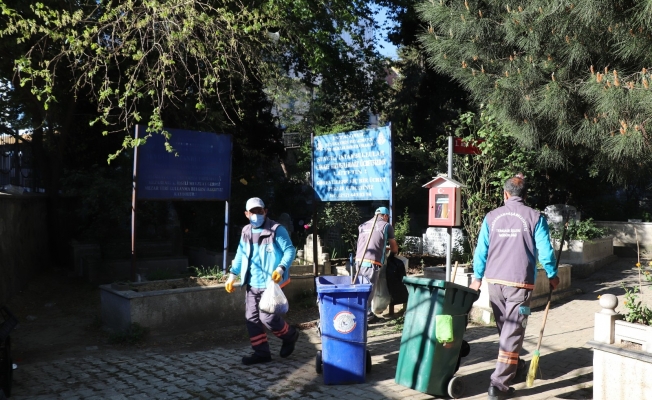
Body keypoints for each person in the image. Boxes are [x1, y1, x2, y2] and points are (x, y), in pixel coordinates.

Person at [469, 175, 559, 400]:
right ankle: (498, 385)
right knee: (512, 331)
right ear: (525, 195)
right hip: (519, 283)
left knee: (507, 330)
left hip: (495, 282)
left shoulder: (492, 217)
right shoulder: (535, 217)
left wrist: (477, 277)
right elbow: (545, 251)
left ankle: (515, 365)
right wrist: (552, 274)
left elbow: (481, 250)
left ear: (505, 194)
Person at [225, 197, 299, 365]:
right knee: (252, 319)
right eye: (253, 212)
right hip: (252, 284)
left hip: (271, 284)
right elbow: (240, 254)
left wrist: (281, 268)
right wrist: (232, 275)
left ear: (265, 212)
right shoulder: (246, 231)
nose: (256, 214)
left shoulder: (276, 230)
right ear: (246, 214)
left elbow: (289, 250)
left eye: (259, 211)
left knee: (268, 318)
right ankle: (261, 353)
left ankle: (290, 335)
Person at [355, 206, 399, 323]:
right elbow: (394, 248)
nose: (387, 219)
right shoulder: (386, 226)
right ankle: (367, 317)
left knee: (360, 288)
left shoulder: (363, 225)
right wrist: (393, 252)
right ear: (385, 216)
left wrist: (384, 247)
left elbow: (370, 242)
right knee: (369, 290)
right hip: (371, 262)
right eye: (387, 217)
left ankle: (363, 313)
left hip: (358, 261)